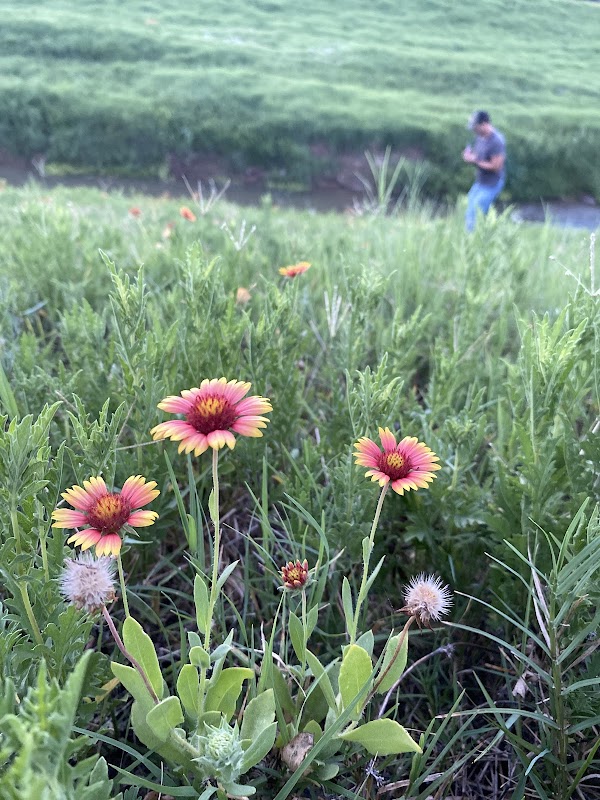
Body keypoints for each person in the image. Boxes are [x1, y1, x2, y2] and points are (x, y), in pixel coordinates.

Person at [462, 110, 506, 232]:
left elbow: (496, 166)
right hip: (480, 182)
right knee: (468, 209)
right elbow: (479, 156)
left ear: (484, 124)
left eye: (475, 127)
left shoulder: (497, 141)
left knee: (475, 214)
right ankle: (471, 239)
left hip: (491, 184)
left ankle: (473, 242)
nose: (473, 130)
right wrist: (470, 155)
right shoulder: (480, 137)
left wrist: (474, 161)